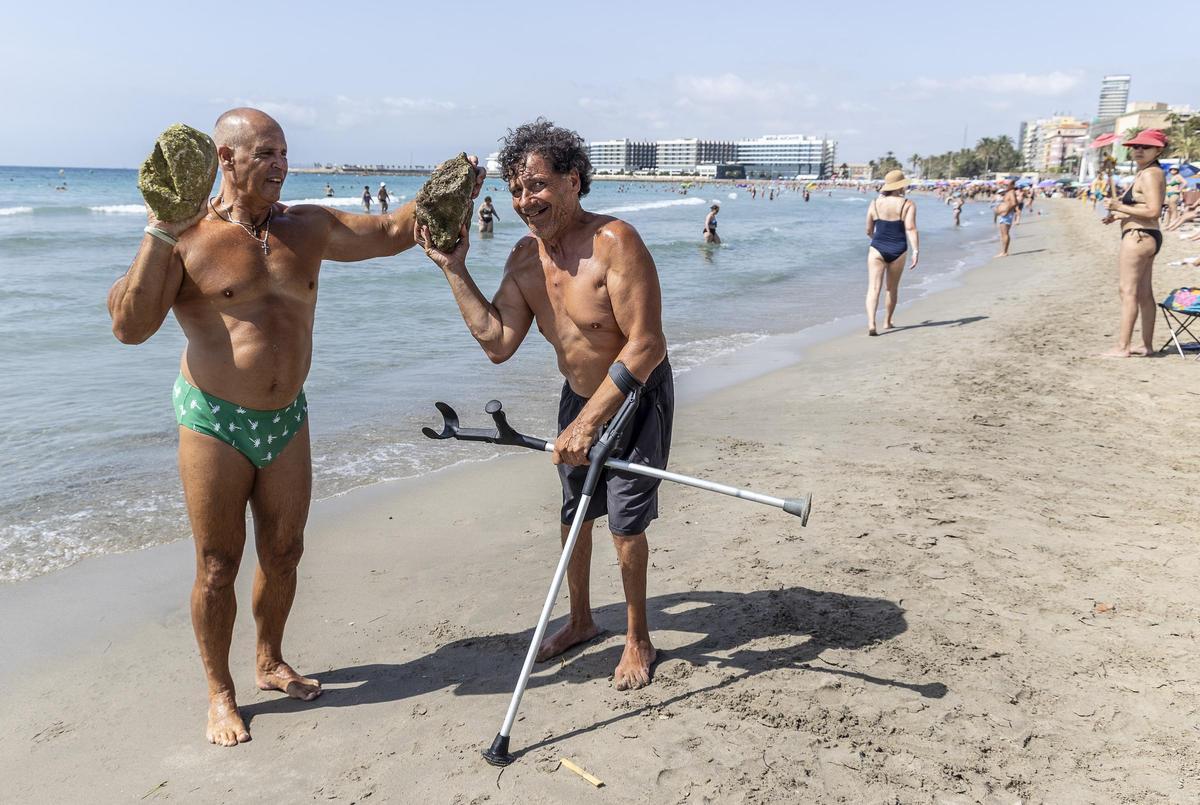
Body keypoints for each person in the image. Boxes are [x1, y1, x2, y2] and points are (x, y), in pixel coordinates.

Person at [106, 107, 482, 746]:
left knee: (284, 553)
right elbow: (129, 325)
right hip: (214, 421)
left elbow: (392, 230)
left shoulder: (306, 228)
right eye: (267, 153)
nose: (282, 164)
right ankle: (220, 692)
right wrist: (160, 230)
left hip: (287, 418)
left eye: (284, 153)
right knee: (218, 564)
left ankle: (269, 660)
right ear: (226, 159)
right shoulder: (188, 237)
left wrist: (444, 189)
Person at [419, 119, 671, 691]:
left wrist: (588, 422)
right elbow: (498, 343)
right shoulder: (525, 260)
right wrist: (455, 268)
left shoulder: (616, 243)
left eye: (535, 185)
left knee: (625, 524)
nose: (523, 200)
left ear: (573, 181)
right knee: (574, 512)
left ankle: (638, 637)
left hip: (633, 394)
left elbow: (647, 344)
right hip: (577, 397)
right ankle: (581, 619)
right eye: (515, 189)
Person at [1099, 129, 1168, 357]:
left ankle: (1123, 347)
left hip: (1139, 236)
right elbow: (1141, 207)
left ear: (1159, 150)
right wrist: (1118, 216)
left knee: (1127, 291)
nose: (1138, 150)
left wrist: (1119, 207)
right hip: (1146, 235)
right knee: (1143, 293)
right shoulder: (1147, 172)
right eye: (1135, 146)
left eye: (1145, 147)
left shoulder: (1150, 174)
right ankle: (1145, 345)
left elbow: (1154, 211)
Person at [864, 169, 919, 336]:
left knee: (873, 288)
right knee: (891, 288)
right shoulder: (907, 204)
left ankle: (871, 323)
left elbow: (868, 230)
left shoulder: (874, 203)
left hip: (877, 248)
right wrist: (916, 250)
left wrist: (877, 240)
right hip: (899, 249)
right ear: (900, 186)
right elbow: (910, 228)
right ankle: (887, 321)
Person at [994, 178, 1018, 257]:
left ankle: (1004, 252)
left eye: (1007, 185)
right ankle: (1004, 251)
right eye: (1005, 184)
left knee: (1005, 233)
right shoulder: (1009, 192)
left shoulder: (1011, 192)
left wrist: (1006, 211)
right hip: (1006, 214)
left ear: (1012, 185)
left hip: (1007, 215)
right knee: (1003, 233)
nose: (1005, 186)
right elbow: (1015, 202)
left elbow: (1014, 203)